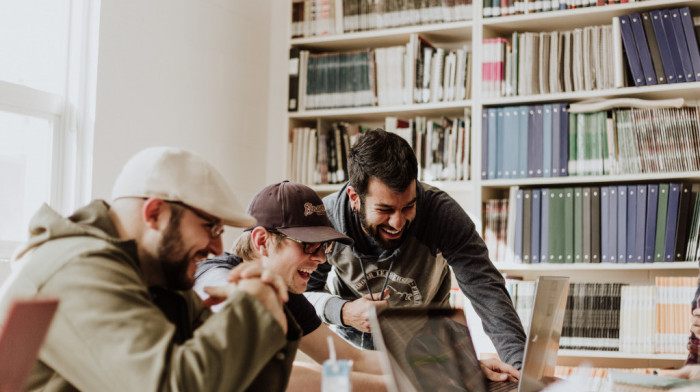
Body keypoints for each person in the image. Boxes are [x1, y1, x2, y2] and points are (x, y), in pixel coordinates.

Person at [0, 147, 301, 391]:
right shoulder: (77, 270)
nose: (218, 248)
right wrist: (250, 307)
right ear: (155, 213)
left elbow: (237, 384)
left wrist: (270, 308)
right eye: (211, 226)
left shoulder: (161, 280)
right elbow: (171, 386)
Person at [194, 181, 520, 391]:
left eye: (324, 247)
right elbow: (278, 377)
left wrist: (457, 366)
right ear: (262, 241)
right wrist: (406, 385)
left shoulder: (287, 295)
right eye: (308, 246)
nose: (321, 259)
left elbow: (351, 359)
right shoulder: (216, 275)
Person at [305, 129, 527, 369]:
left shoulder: (441, 214)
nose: (398, 222)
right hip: (353, 355)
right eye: (385, 210)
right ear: (354, 197)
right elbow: (304, 294)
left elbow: (487, 291)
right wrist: (344, 312)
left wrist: (520, 369)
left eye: (408, 206)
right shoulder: (326, 221)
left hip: (429, 351)